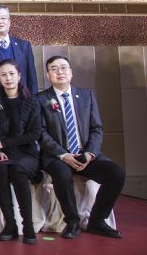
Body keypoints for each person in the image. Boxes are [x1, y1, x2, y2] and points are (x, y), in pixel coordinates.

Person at [37, 56, 125, 239]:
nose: (59, 72)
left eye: (63, 68)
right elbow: (41, 133)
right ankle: (72, 222)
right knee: (62, 174)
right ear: (47, 75)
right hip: (57, 156)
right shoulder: (40, 99)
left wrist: (90, 154)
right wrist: (63, 155)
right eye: (54, 69)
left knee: (116, 174)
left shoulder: (86, 95)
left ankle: (97, 221)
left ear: (71, 72)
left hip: (85, 153)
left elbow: (96, 128)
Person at [0, 59, 40, 244]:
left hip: (26, 152)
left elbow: (35, 133)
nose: (8, 78)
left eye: (11, 74)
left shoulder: (32, 101)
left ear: (19, 76)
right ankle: (10, 224)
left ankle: (28, 226)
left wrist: (4, 143)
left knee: (18, 171)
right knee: (0, 168)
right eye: (3, 74)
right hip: (1, 151)